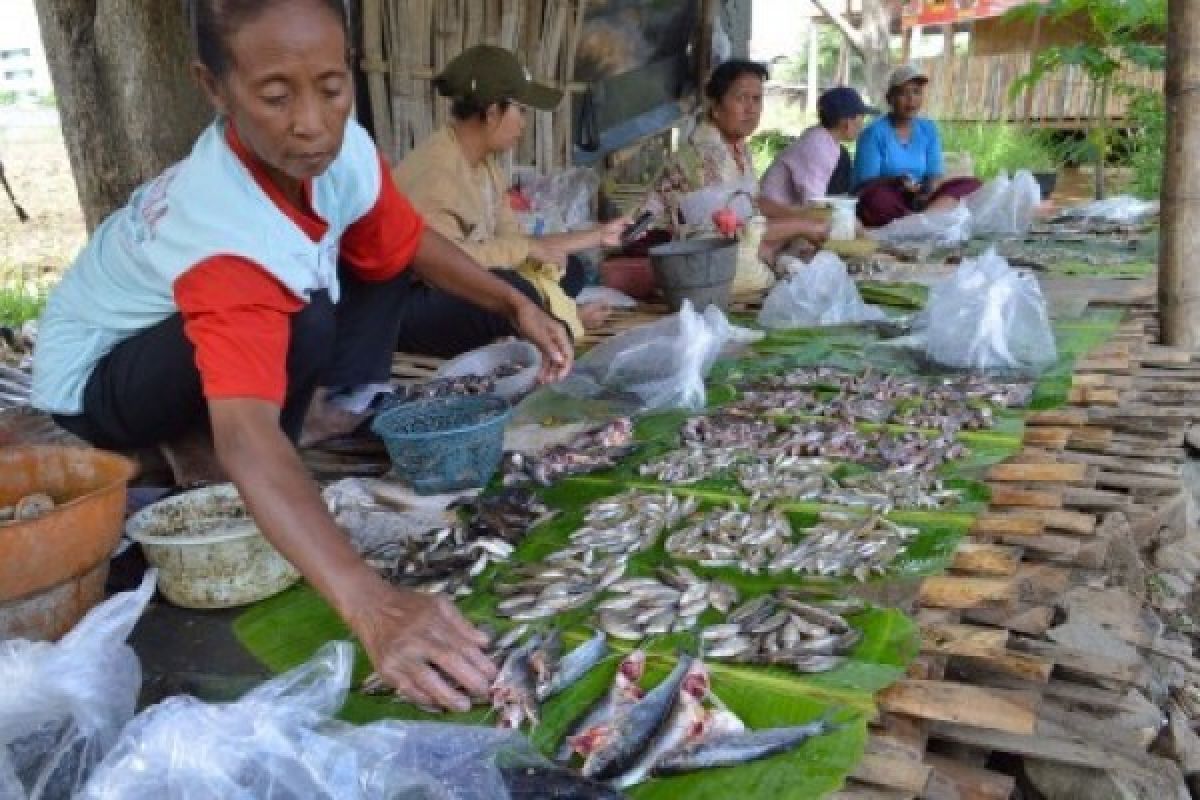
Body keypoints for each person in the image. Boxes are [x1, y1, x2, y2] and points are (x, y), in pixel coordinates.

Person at [32, 0, 573, 713]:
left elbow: (403, 240)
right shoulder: (226, 238)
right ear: (213, 87)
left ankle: (273, 430)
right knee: (296, 324)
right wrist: (373, 605)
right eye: (275, 95)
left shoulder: (340, 150)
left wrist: (515, 304)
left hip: (183, 331)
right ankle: (192, 455)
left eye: (330, 85)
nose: (311, 121)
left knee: (359, 276)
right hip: (96, 379)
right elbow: (250, 436)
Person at [394, 45, 628, 357]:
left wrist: (596, 236)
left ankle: (545, 319)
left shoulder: (485, 164)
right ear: (492, 113)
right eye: (521, 111)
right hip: (411, 305)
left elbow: (515, 242)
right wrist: (529, 255)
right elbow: (444, 270)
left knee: (569, 268)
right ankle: (556, 322)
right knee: (516, 289)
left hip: (463, 282)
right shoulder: (436, 173)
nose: (524, 123)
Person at [643, 60, 828, 286]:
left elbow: (752, 200)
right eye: (741, 98)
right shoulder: (702, 156)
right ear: (716, 106)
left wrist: (797, 213)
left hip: (728, 244)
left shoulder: (737, 146)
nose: (751, 109)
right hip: (683, 261)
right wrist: (801, 225)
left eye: (757, 99)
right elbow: (729, 233)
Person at [853, 65, 983, 227]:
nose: (911, 99)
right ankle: (923, 221)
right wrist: (897, 181)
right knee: (877, 198)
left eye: (916, 92)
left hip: (920, 200)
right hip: (889, 197)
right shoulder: (873, 133)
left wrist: (925, 194)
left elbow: (934, 173)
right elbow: (865, 184)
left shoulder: (928, 129)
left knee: (973, 184)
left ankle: (921, 219)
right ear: (890, 99)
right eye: (902, 93)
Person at [759, 87, 878, 216]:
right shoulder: (818, 146)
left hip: (784, 211)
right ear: (847, 122)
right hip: (770, 217)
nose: (863, 123)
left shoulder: (823, 138)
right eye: (861, 117)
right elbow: (814, 203)